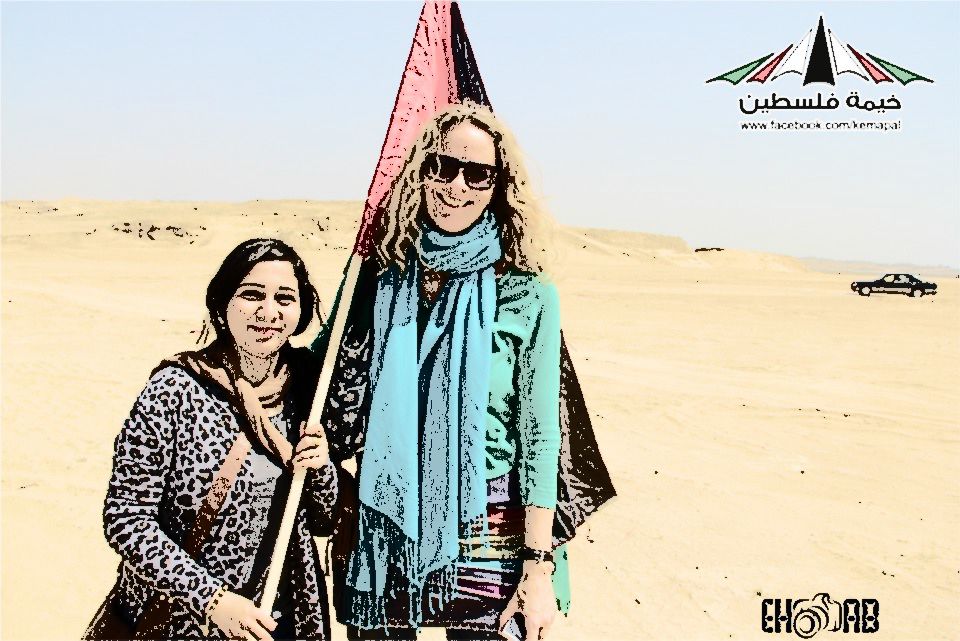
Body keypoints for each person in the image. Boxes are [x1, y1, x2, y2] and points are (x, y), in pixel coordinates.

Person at [313, 102, 615, 641]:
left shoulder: (528, 294)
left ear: (498, 186)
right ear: (421, 172)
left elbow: (540, 437)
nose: (457, 186)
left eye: (478, 174)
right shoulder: (377, 281)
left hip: (492, 533)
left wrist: (538, 569)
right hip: (385, 524)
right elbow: (318, 374)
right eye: (444, 166)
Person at [95, 239, 339, 640]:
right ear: (223, 303)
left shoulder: (309, 391)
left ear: (301, 311)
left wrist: (321, 467)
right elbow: (127, 520)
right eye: (252, 295)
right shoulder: (174, 390)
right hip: (182, 619)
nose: (268, 312)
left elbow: (323, 519)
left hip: (278, 621)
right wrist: (212, 600)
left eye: (284, 298)